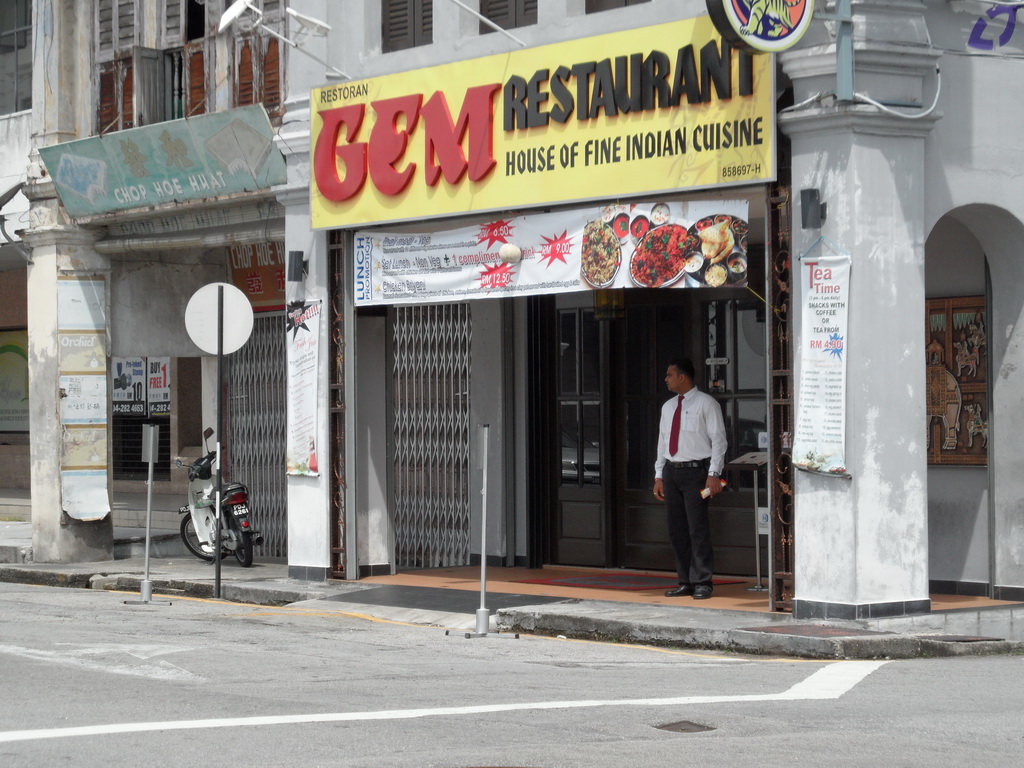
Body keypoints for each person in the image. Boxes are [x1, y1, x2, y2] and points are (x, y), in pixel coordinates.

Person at [653, 357, 727, 599]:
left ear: (682, 377)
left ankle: (702, 581)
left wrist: (714, 473)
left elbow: (719, 441)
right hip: (672, 471)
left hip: (696, 473)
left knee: (697, 528)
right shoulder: (667, 407)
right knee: (677, 530)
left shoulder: (707, 403)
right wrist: (659, 475)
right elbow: (662, 442)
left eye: (669, 375)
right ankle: (685, 580)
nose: (666, 379)